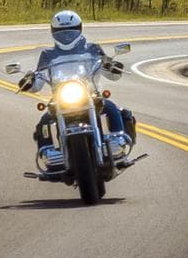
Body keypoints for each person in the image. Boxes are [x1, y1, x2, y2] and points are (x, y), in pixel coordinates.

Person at [21, 10, 135, 165]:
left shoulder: (92, 49)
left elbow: (108, 71)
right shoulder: (47, 55)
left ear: (80, 29)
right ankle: (47, 152)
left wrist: (113, 67)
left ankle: (120, 138)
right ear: (53, 32)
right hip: (61, 98)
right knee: (44, 120)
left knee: (112, 108)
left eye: (70, 31)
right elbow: (40, 77)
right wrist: (29, 82)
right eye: (61, 32)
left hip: (89, 93)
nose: (66, 36)